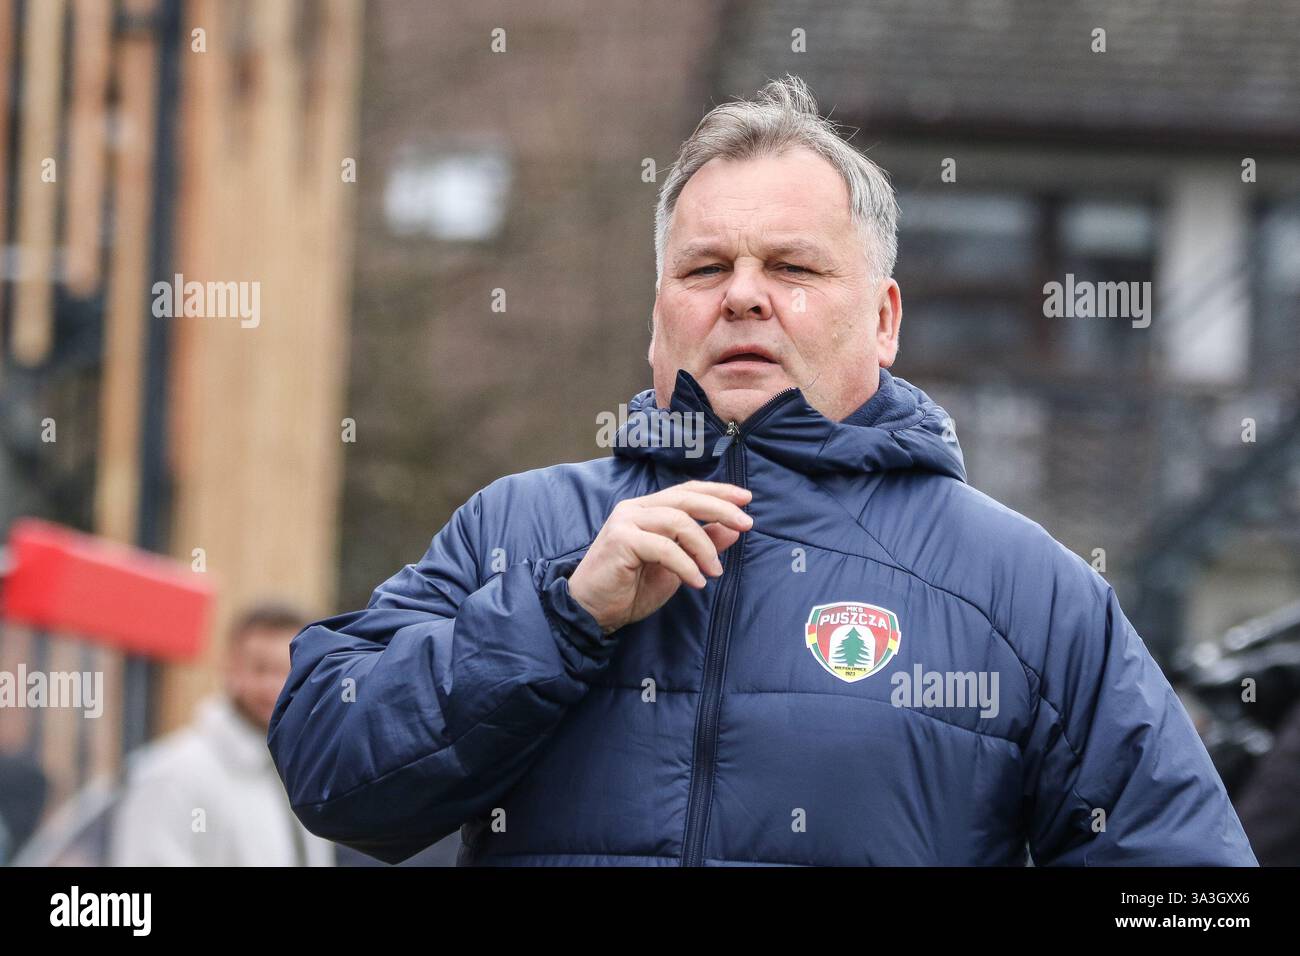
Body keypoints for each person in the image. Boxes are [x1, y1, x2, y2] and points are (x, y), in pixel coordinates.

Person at [268, 75, 1256, 866]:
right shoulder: (514, 530)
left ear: (883, 317)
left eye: (792, 267)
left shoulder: (1029, 589)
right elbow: (331, 775)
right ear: (656, 318)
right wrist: (563, 615)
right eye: (704, 269)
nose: (743, 296)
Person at [111, 603, 335, 866]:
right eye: (261, 669)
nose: (276, 686)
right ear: (231, 669)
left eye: (290, 671)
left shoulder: (304, 773)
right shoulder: (171, 774)